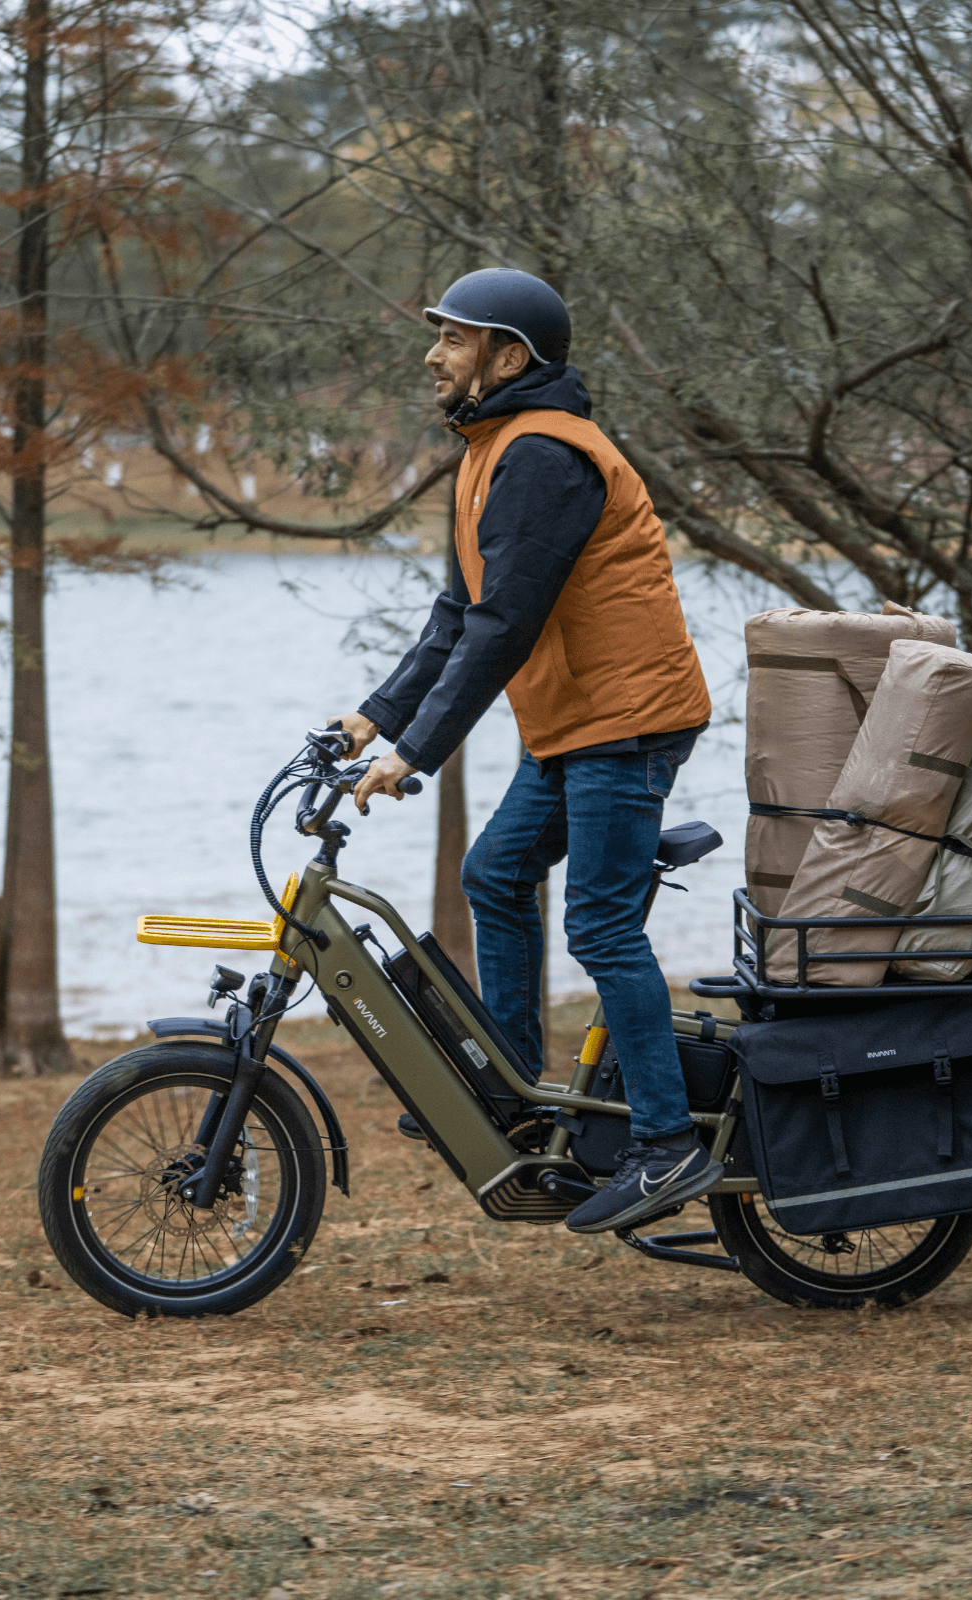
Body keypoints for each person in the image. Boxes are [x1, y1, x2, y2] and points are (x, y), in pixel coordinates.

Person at [333, 267, 719, 1234]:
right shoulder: (490, 449)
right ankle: (510, 1092)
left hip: (626, 719)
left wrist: (417, 752)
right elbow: (458, 610)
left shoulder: (546, 455)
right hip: (576, 720)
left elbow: (503, 624)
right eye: (439, 336)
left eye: (454, 338)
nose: (433, 354)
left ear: (510, 359)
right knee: (496, 873)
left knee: (601, 927)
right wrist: (374, 717)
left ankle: (667, 1143)